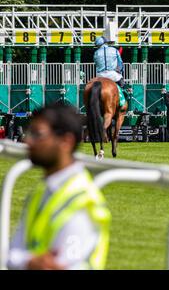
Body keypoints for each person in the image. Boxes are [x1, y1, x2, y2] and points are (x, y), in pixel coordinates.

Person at [8, 103, 111, 270]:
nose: (27, 140)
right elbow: (11, 253)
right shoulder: (41, 191)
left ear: (66, 141)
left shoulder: (82, 201)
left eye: (37, 134)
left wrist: (24, 260)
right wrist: (29, 262)